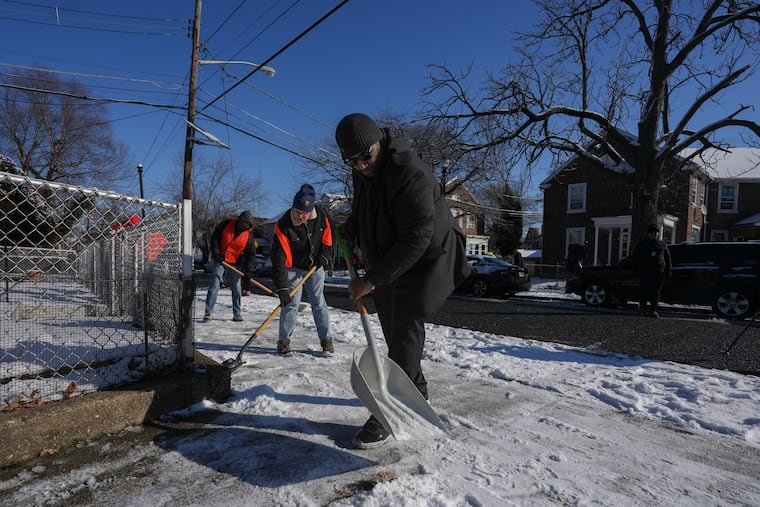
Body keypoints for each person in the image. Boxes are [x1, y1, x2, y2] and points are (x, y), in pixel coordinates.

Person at [335, 113, 470, 449]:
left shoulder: (411, 174)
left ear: (377, 143)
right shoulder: (362, 170)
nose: (360, 166)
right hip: (391, 255)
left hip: (428, 258)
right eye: (352, 161)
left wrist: (371, 280)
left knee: (405, 326)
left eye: (365, 157)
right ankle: (416, 390)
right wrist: (351, 225)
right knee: (391, 324)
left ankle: (387, 411)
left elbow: (417, 237)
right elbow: (366, 203)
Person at [271, 184, 335, 357]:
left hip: (315, 266)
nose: (300, 216)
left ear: (311, 208)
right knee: (290, 303)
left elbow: (329, 238)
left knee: (318, 302)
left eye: (304, 213)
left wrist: (325, 256)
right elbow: (278, 258)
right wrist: (282, 288)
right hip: (293, 267)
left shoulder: (321, 215)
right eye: (297, 211)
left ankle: (326, 341)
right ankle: (284, 342)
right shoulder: (284, 224)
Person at [203, 211, 258, 322]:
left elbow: (251, 256)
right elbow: (214, 239)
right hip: (221, 260)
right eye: (243, 222)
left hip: (235, 263)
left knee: (237, 288)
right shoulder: (225, 225)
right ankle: (208, 312)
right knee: (215, 284)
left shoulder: (248, 236)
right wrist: (217, 255)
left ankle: (237, 313)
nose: (245, 225)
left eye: (248, 224)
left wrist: (248, 273)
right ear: (239, 221)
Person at [632, 224, 671, 318]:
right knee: (644, 291)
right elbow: (635, 258)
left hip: (658, 273)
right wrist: (636, 270)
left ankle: (653, 310)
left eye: (656, 233)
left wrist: (668, 271)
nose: (654, 235)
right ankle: (642, 309)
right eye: (652, 233)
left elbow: (668, 259)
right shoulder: (642, 245)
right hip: (645, 272)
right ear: (648, 234)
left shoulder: (662, 245)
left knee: (655, 292)